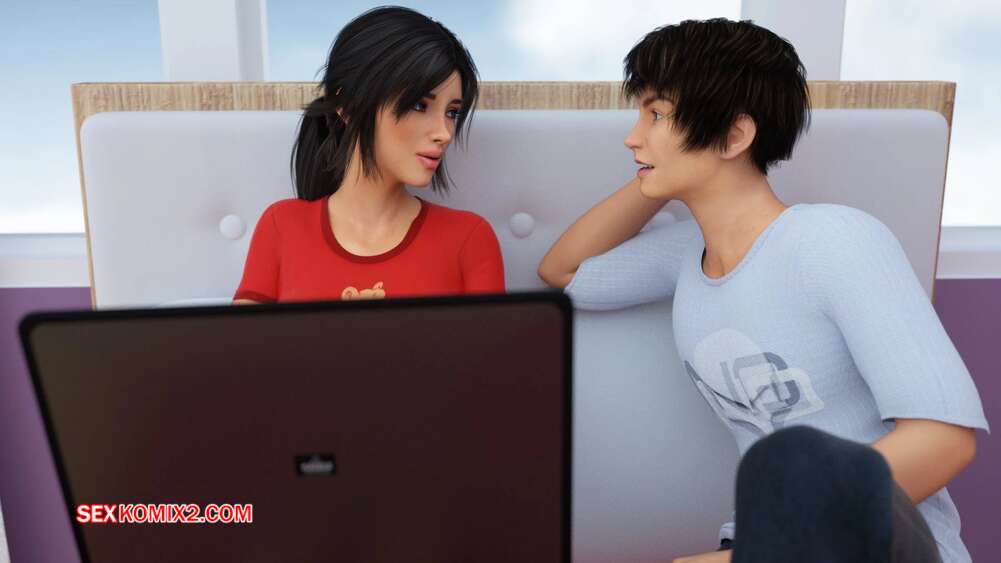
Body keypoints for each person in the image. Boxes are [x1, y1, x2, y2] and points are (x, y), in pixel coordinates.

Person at [538, 18, 988, 563]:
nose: (633, 136)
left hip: (872, 544)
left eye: (656, 114)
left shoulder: (834, 240)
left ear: (734, 135)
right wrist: (660, 172)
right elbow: (565, 273)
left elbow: (945, 437)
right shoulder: (686, 253)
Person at [234, 6, 504, 304]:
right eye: (419, 105)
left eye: (452, 112)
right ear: (348, 106)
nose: (444, 133)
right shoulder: (281, 226)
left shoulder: (470, 239)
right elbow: (240, 336)